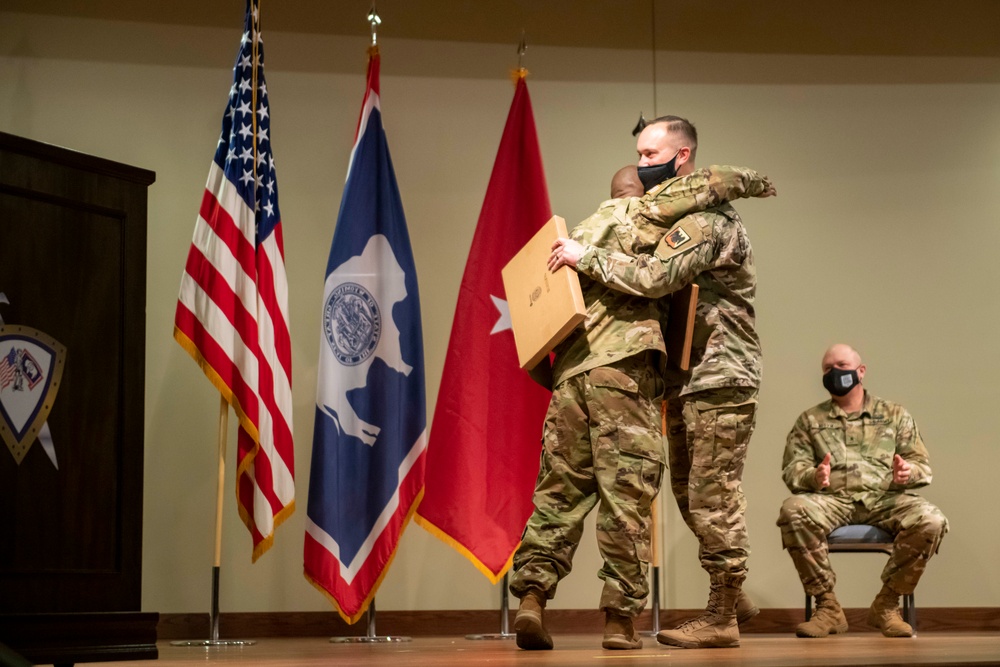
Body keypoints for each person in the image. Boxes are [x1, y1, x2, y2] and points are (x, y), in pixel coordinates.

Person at [510, 155, 774, 651]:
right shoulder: (643, 221)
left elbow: (533, 332)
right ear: (642, 194)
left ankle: (531, 597)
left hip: (570, 378)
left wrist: (560, 376)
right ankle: (619, 621)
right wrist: (757, 181)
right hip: (624, 374)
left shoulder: (572, 236)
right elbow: (710, 190)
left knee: (557, 495)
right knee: (626, 499)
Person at [777, 343, 948, 638]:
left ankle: (887, 605)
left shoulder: (894, 415)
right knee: (793, 511)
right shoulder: (810, 420)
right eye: (828, 368)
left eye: (841, 365)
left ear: (861, 371)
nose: (835, 372)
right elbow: (793, 469)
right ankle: (828, 607)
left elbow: (922, 464)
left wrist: (908, 473)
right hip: (833, 501)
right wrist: (814, 477)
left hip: (885, 498)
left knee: (931, 520)